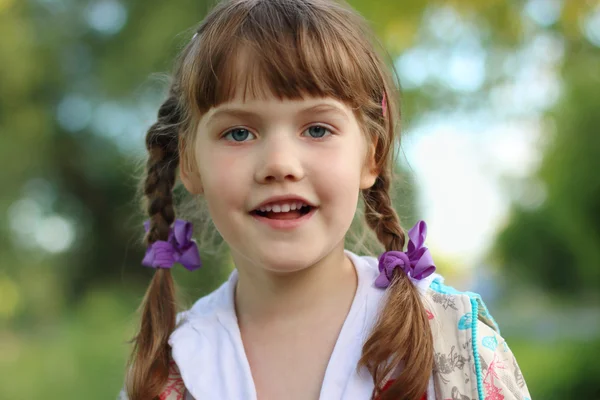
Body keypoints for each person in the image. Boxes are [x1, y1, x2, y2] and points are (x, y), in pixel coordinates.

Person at [120, 0, 532, 399]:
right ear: (189, 162)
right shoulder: (166, 375)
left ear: (371, 154)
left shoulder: (452, 347)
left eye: (317, 129)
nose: (280, 165)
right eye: (239, 133)